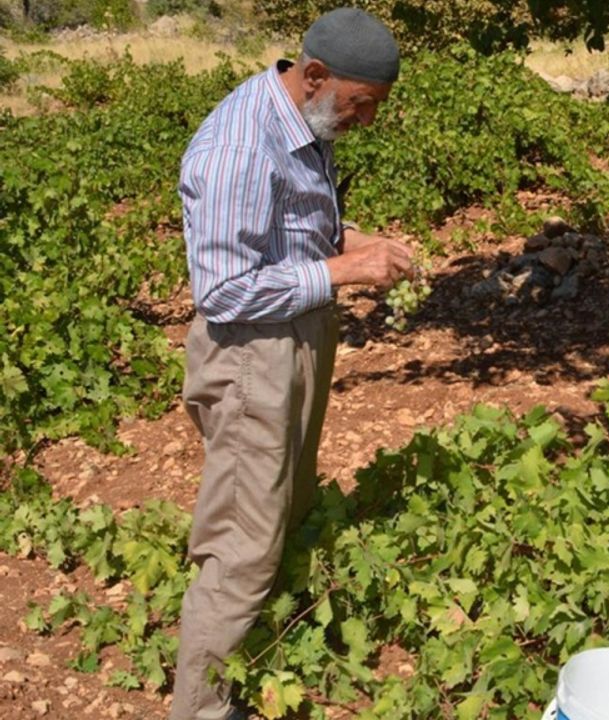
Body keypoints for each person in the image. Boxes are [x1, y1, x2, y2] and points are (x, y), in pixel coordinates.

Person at [170, 8, 413, 719]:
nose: (365, 120)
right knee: (242, 546)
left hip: (291, 339)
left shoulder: (302, 118)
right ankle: (202, 710)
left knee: (285, 504)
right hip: (252, 356)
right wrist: (344, 270)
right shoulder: (238, 148)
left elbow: (290, 225)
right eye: (360, 103)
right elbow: (223, 291)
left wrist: (351, 240)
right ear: (315, 76)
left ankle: (259, 655)